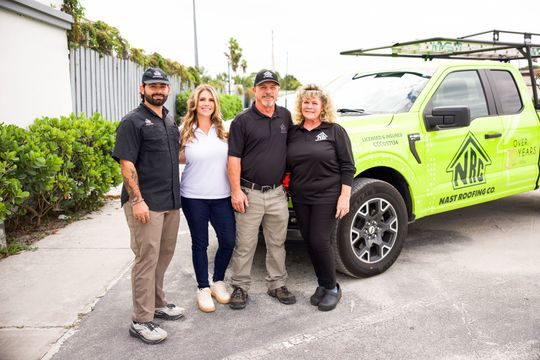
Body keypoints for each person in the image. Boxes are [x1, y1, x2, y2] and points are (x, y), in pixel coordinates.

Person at [113, 67, 184, 344]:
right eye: (152, 86)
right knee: (146, 259)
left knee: (163, 256)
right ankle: (141, 320)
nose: (158, 90)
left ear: (168, 90)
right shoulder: (133, 121)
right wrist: (137, 200)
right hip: (146, 204)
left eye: (162, 86)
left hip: (170, 202)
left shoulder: (168, 120)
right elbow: (126, 164)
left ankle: (157, 303)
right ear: (142, 89)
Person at [227, 69, 296, 309]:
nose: (268, 91)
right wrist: (236, 191)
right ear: (254, 90)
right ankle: (240, 287)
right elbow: (233, 158)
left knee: (277, 243)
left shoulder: (285, 117)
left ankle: (277, 284)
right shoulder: (242, 121)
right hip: (249, 193)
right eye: (263, 87)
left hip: (277, 194)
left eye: (272, 87)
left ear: (277, 90)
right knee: (245, 244)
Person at [286, 83, 355, 311]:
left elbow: (348, 166)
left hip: (327, 195)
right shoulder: (293, 133)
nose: (309, 106)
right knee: (309, 241)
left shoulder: (334, 131)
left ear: (323, 106)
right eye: (306, 102)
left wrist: (344, 196)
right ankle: (323, 285)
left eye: (314, 102)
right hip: (301, 196)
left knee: (319, 240)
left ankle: (333, 287)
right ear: (300, 105)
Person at [179, 84, 236, 313]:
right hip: (193, 197)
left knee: (228, 240)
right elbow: (175, 159)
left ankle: (218, 281)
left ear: (215, 104)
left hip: (222, 195)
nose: (206, 103)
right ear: (195, 102)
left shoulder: (223, 130)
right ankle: (203, 287)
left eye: (210, 100)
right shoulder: (184, 130)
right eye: (202, 99)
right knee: (200, 243)